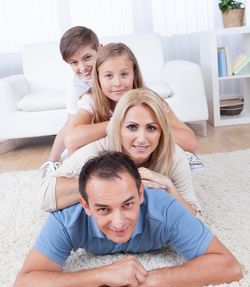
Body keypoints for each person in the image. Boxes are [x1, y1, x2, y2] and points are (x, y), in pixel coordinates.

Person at [12, 152, 242, 287]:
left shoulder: (164, 207)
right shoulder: (66, 218)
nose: (119, 222)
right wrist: (101, 274)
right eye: (103, 209)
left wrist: (149, 279)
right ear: (86, 205)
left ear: (141, 194)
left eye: (128, 204)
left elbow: (228, 266)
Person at [38, 88, 201, 215]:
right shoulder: (100, 148)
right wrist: (113, 183)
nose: (142, 139)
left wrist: (169, 187)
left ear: (162, 132)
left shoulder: (174, 156)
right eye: (132, 127)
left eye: (151, 128)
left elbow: (197, 220)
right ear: (118, 128)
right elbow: (45, 195)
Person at [62, 42, 198, 158]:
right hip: (111, 162)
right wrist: (118, 123)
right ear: (98, 78)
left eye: (124, 74)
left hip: (143, 160)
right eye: (108, 76)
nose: (117, 83)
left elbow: (190, 142)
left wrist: (151, 129)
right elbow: (71, 140)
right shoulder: (91, 100)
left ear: (134, 74)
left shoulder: (152, 101)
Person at [41, 26, 102, 177]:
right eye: (74, 62)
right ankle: (53, 160)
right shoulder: (76, 88)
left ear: (100, 49)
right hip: (88, 129)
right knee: (71, 123)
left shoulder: (113, 69)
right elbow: (73, 126)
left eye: (87, 58)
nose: (83, 67)